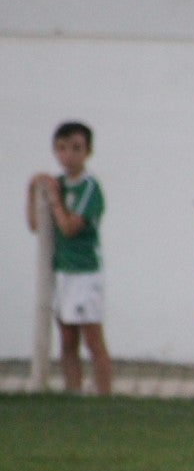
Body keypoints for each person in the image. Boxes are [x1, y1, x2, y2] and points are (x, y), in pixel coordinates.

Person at [27, 121, 113, 396]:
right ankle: (72, 391)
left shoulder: (89, 187)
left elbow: (69, 227)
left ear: (88, 151)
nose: (69, 156)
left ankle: (104, 393)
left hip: (85, 271)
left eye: (76, 148)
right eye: (62, 148)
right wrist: (32, 192)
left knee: (91, 337)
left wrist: (53, 197)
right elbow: (36, 226)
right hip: (62, 271)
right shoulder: (59, 184)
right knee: (67, 337)